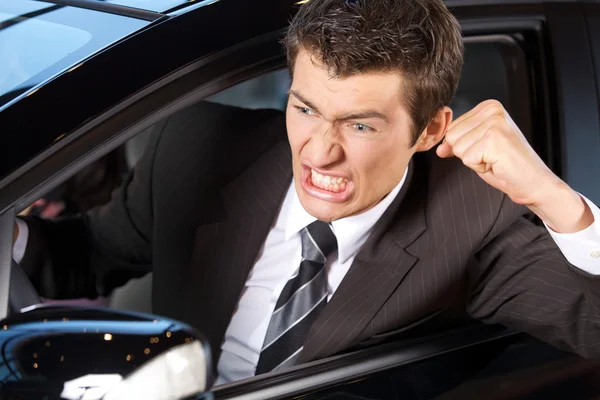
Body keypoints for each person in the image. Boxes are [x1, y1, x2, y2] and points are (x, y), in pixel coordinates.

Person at [12, 0, 600, 386]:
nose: (318, 153)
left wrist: (555, 201)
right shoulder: (197, 147)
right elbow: (83, 256)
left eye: (360, 125)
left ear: (430, 130)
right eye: (305, 108)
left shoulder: (470, 221)